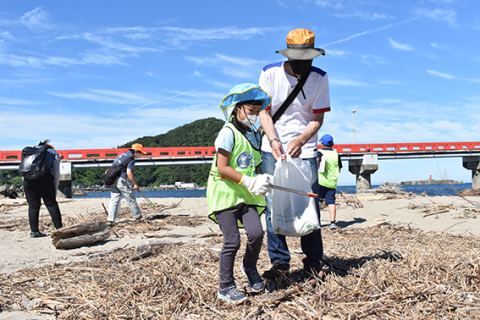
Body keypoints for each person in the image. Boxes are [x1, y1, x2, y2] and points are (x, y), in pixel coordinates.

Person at [259, 28, 331, 278]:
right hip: (272, 148)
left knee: (310, 202)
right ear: (288, 57)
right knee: (272, 205)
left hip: (307, 149)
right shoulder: (269, 73)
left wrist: (301, 139)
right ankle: (280, 262)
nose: (304, 66)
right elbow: (264, 112)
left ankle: (313, 261)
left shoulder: (320, 77)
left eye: (308, 61)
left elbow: (317, 118)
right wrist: (273, 139)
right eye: (299, 61)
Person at [207, 83, 272, 304]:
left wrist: (262, 181)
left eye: (257, 112)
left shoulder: (253, 135)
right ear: (238, 109)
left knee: (256, 233)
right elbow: (222, 168)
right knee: (232, 241)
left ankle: (250, 267)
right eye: (251, 112)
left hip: (247, 195)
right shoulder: (227, 133)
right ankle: (225, 287)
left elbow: (252, 166)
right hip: (225, 194)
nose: (254, 116)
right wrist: (249, 181)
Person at [23, 140, 63, 238]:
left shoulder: (29, 152)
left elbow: (24, 169)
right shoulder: (52, 151)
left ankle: (34, 232)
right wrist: (55, 187)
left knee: (33, 206)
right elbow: (57, 172)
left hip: (28, 180)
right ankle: (59, 230)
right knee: (51, 204)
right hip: (44, 179)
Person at [107, 143, 146, 224]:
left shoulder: (121, 155)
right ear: (135, 151)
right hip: (122, 180)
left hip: (113, 180)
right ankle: (138, 217)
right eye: (140, 153)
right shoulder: (131, 159)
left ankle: (110, 220)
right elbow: (129, 173)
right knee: (131, 199)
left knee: (114, 200)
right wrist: (135, 184)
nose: (140, 155)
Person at [317, 134, 342, 230]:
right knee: (331, 202)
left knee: (318, 201)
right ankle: (332, 223)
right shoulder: (336, 154)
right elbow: (339, 167)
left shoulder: (320, 152)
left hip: (321, 180)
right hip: (332, 182)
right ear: (333, 144)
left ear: (322, 143)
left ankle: (317, 222)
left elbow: (316, 161)